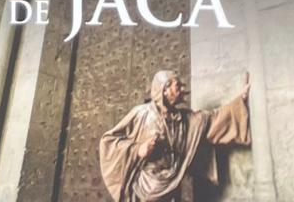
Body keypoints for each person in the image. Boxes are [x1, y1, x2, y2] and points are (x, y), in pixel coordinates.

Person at [99, 68, 250, 200]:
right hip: (147, 186)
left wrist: (240, 102)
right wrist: (138, 149)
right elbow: (109, 141)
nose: (182, 90)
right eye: (177, 86)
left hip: (172, 183)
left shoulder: (184, 119)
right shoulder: (141, 114)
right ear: (164, 90)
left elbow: (211, 119)